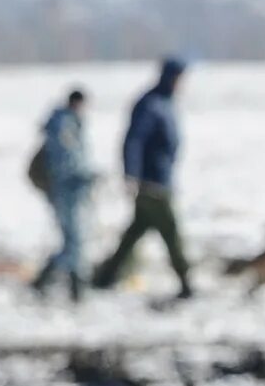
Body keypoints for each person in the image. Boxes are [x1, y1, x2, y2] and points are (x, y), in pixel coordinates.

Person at [92, 59, 191, 298]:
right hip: (151, 183)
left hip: (162, 178)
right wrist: (131, 175)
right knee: (171, 231)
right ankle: (186, 282)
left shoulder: (166, 103)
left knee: (134, 233)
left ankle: (106, 278)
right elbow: (133, 140)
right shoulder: (151, 104)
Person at [32, 89, 97, 302]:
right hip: (67, 190)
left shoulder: (70, 123)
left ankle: (62, 283)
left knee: (74, 240)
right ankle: (67, 285)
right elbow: (68, 161)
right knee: (74, 240)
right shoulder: (63, 125)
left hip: (72, 189)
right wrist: (86, 175)